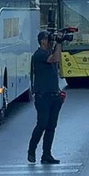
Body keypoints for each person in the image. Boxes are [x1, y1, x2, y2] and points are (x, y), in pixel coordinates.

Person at [28, 31, 64, 164]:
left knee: (51, 126)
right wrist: (59, 43)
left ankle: (46, 155)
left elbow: (56, 60)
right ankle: (31, 151)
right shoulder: (39, 55)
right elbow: (55, 59)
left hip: (54, 95)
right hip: (43, 96)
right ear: (43, 41)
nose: (51, 41)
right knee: (42, 124)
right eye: (49, 39)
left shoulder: (49, 53)